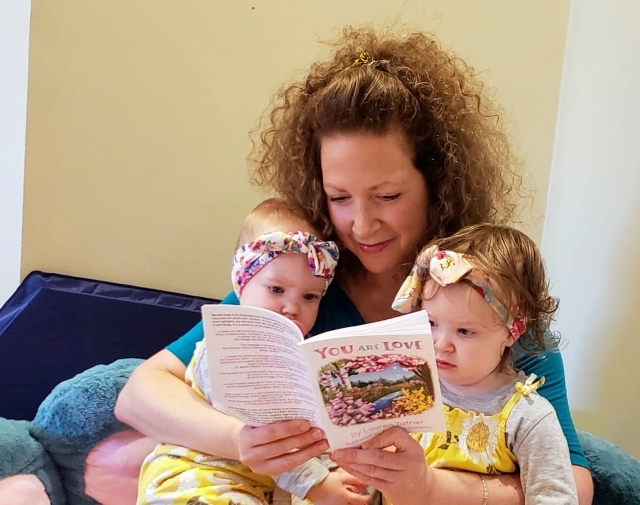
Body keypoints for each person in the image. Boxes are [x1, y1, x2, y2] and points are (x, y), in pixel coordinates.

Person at [7, 26, 589, 505]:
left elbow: (577, 484)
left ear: (437, 184)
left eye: (387, 196)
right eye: (339, 198)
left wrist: (432, 487)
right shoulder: (301, 281)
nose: (361, 226)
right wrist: (242, 440)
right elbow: (140, 393)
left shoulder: (486, 293)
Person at [137, 199, 369, 505]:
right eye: (276, 290)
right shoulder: (232, 351)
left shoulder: (307, 353)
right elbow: (271, 438)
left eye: (310, 296)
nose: (291, 307)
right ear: (241, 285)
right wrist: (319, 485)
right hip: (199, 475)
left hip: (268, 483)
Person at [331, 223, 579, 504]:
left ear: (514, 329)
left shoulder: (529, 418)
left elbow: (555, 498)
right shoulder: (405, 386)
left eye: (465, 331)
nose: (440, 344)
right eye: (431, 323)